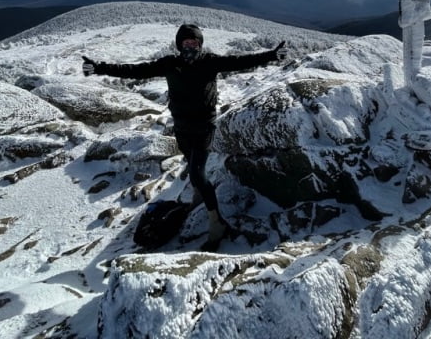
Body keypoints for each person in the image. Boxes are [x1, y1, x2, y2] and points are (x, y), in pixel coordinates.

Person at [81, 23, 287, 250]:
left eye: (195, 42)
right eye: (187, 42)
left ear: (200, 44)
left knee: (197, 174)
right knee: (192, 167)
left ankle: (217, 223)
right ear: (180, 45)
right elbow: (135, 70)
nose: (191, 45)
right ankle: (201, 198)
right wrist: (98, 68)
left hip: (204, 128)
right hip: (181, 128)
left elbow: (241, 62)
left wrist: (272, 55)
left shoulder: (210, 62)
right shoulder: (170, 64)